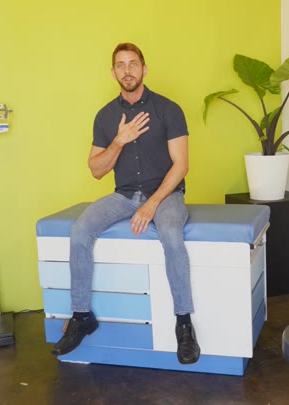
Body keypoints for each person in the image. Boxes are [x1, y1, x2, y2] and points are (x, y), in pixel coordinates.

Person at [51, 42, 200, 365]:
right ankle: (81, 316)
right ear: (113, 72)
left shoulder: (168, 109)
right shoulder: (105, 116)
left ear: (144, 69)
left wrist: (152, 204)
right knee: (80, 231)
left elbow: (181, 165)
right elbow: (96, 170)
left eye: (133, 63)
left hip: (166, 195)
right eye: (121, 65)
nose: (127, 70)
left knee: (170, 233)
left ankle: (184, 324)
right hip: (124, 195)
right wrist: (119, 141)